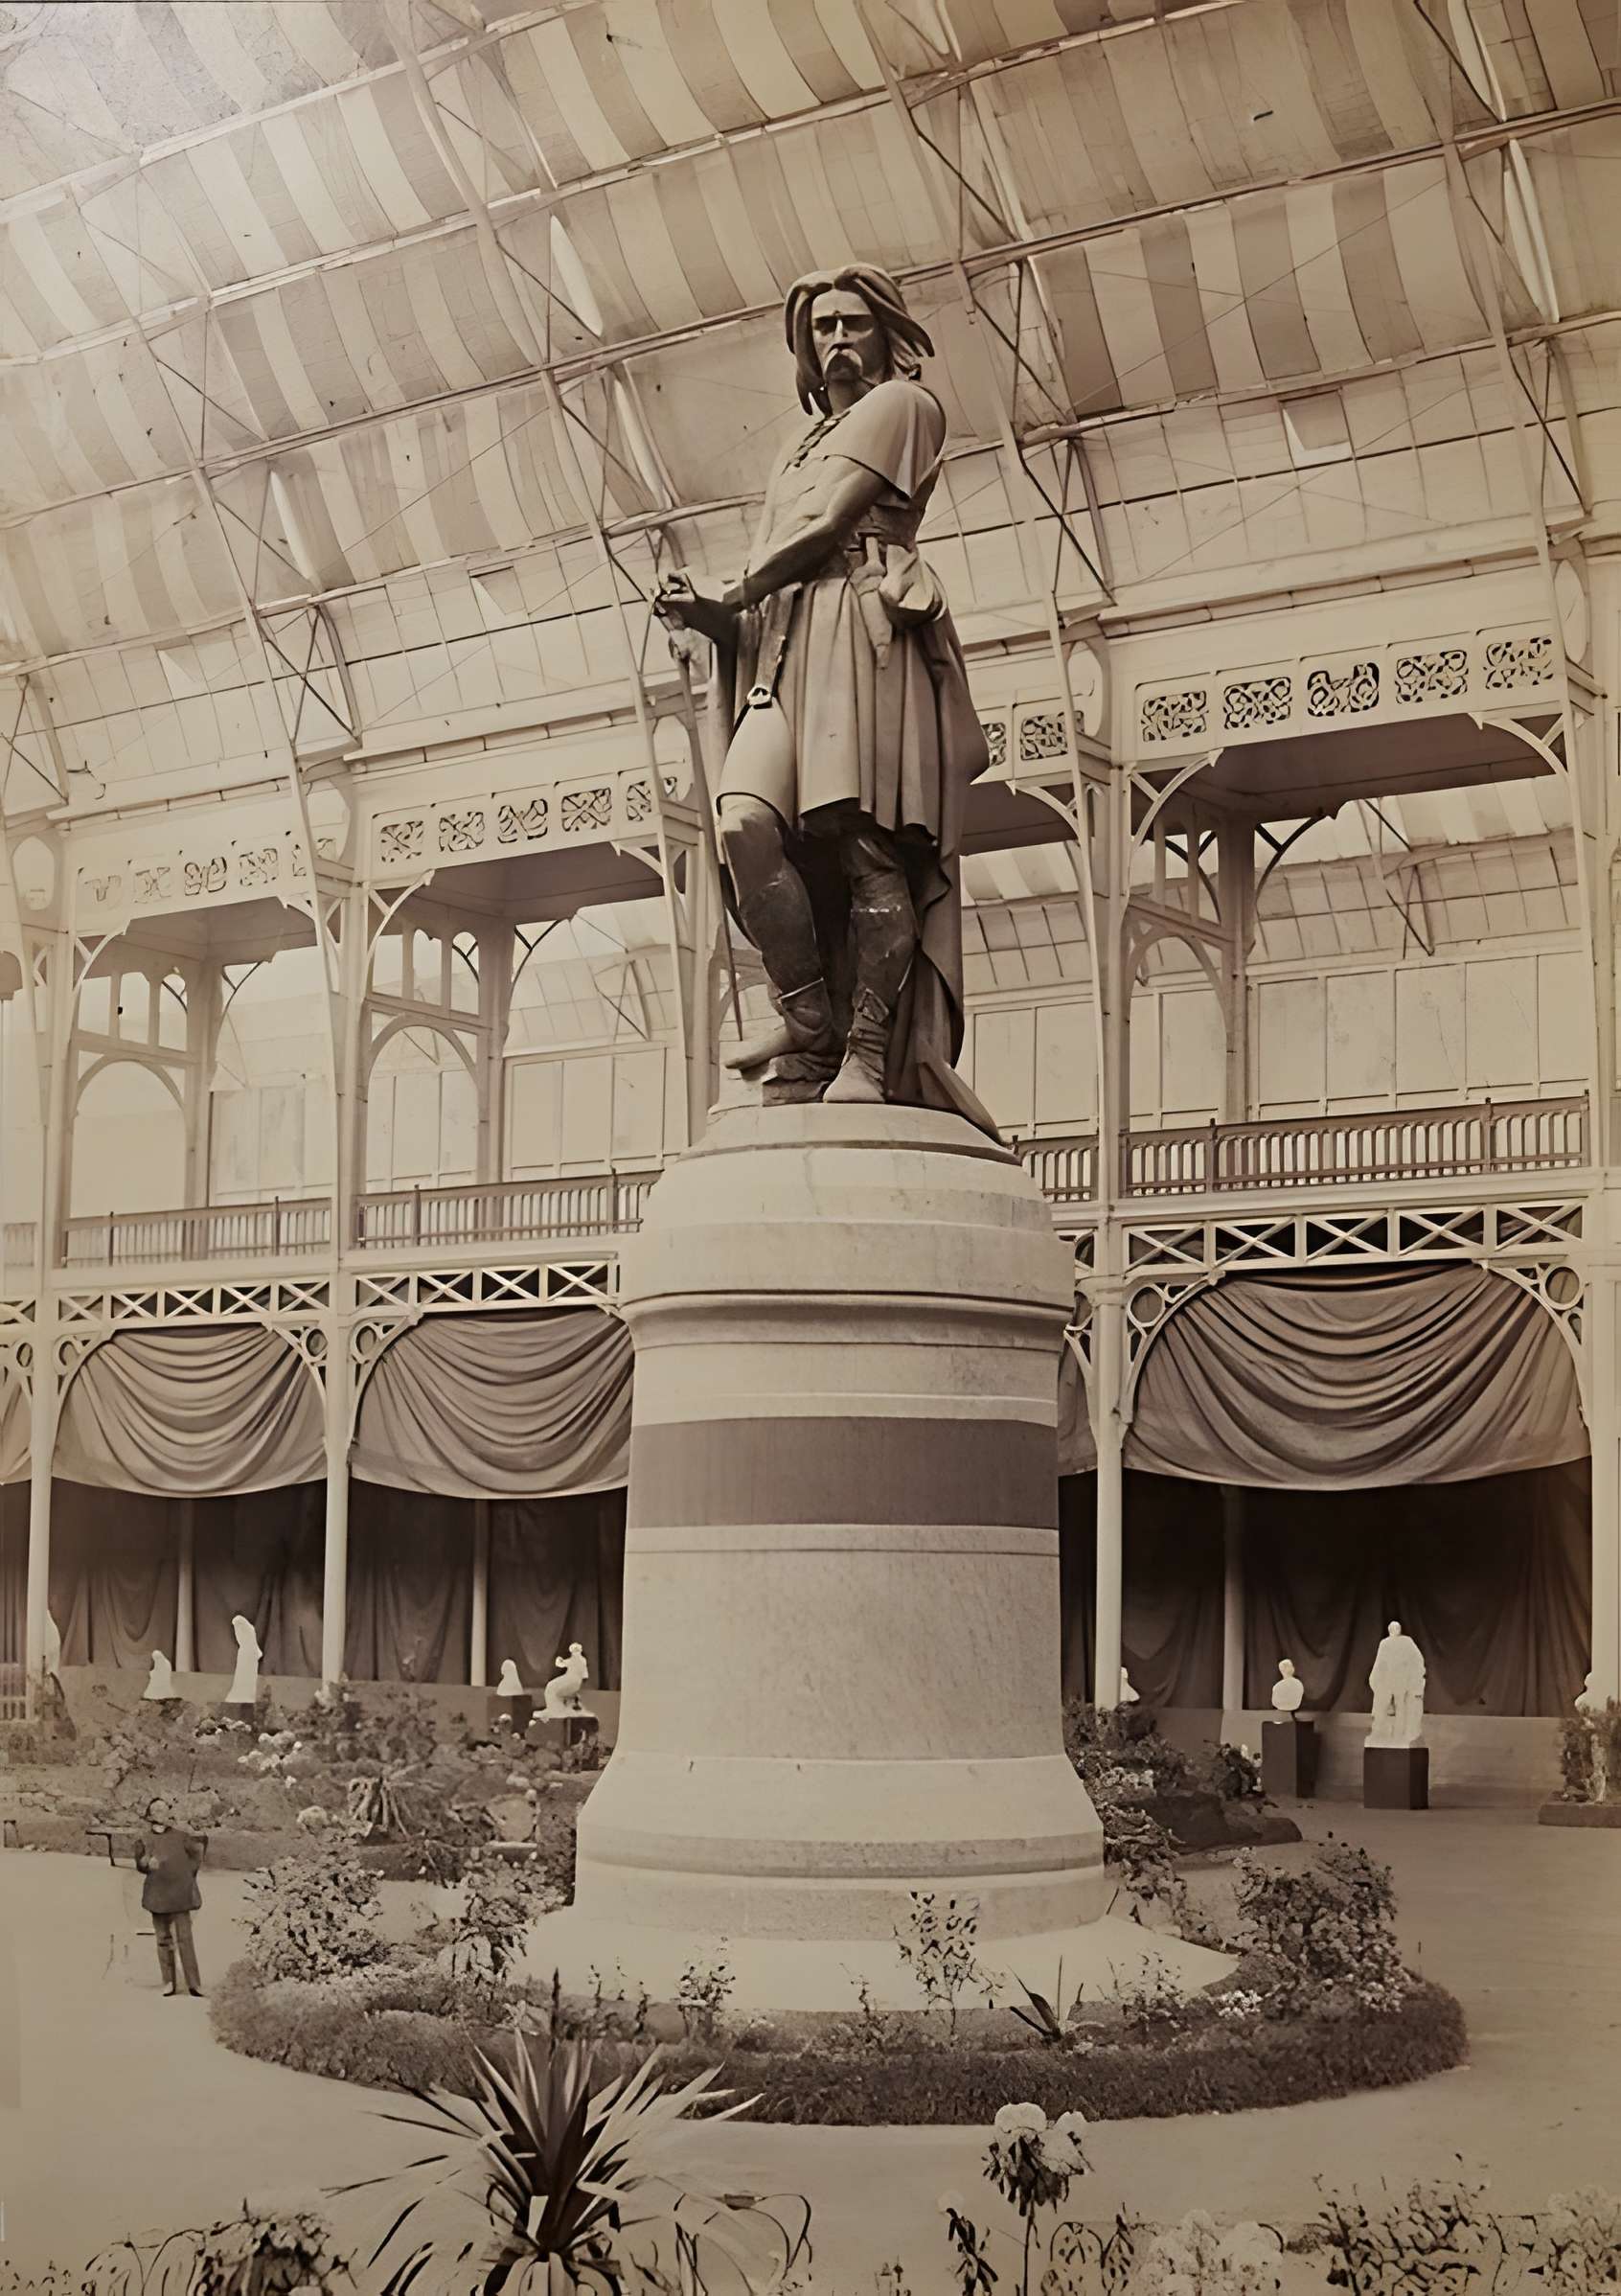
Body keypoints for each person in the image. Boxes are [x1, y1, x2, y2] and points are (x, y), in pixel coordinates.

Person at [656, 264, 993, 1123]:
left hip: (862, 634)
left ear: (885, 332)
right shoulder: (795, 446)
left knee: (867, 850)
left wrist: (730, 592)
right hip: (786, 644)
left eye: (852, 323)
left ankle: (870, 1051)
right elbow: (785, 561)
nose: (836, 340)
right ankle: (806, 1009)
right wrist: (718, 616)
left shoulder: (903, 408)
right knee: (744, 823)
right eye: (821, 329)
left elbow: (831, 525)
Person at [134, 1797, 205, 1998]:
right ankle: (168, 1982)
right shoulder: (143, 1839)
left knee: (185, 1939)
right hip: (157, 1894)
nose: (161, 1813)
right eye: (156, 1810)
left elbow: (197, 1856)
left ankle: (194, 1984)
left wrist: (186, 1875)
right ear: (149, 1815)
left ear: (168, 1813)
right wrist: (146, 1863)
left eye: (164, 1810)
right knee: (163, 1939)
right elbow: (139, 1865)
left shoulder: (182, 1837)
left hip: (180, 1895)